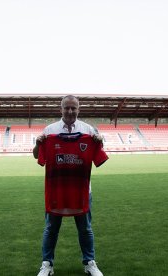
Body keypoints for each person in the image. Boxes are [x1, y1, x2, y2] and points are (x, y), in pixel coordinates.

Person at [33, 95, 106, 276]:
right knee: (51, 229)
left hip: (81, 192)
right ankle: (47, 264)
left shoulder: (89, 131)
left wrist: (99, 141)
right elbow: (37, 157)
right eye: (67, 108)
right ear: (61, 109)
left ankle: (90, 263)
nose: (70, 111)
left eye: (74, 108)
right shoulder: (49, 131)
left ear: (78, 109)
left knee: (85, 229)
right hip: (57, 191)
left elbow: (99, 156)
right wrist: (38, 144)